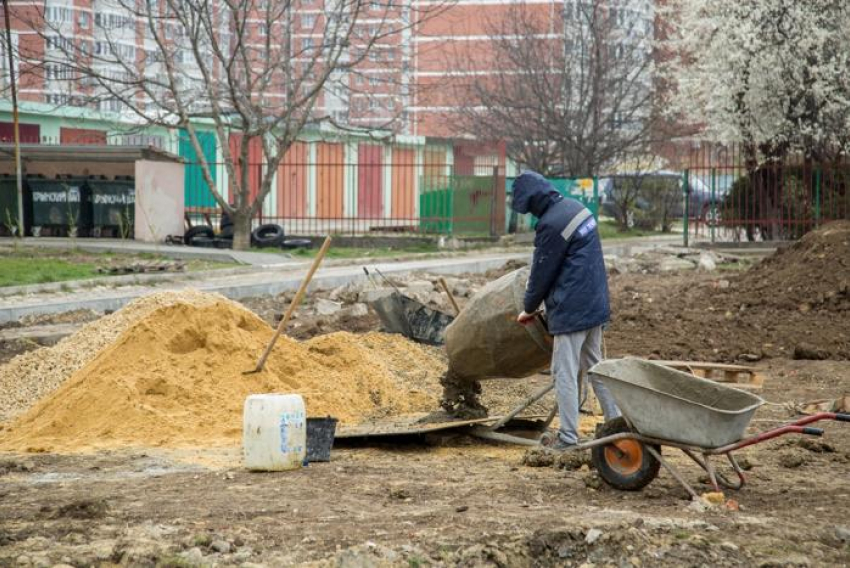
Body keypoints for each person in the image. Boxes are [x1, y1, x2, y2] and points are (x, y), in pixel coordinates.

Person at [510, 170, 621, 450]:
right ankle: (617, 425)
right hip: (595, 304)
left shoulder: (552, 224)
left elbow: (541, 272)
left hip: (573, 311)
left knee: (564, 373)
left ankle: (568, 438)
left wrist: (528, 308)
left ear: (534, 201)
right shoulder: (576, 208)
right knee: (597, 369)